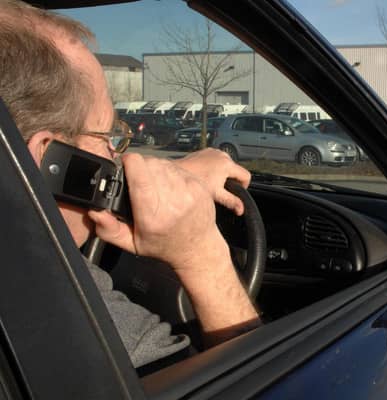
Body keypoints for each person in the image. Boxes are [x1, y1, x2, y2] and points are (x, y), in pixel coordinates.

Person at [0, 0, 260, 368]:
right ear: (49, 158)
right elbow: (256, 386)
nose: (114, 155)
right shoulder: (74, 318)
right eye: (106, 136)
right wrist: (203, 256)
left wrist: (177, 176)